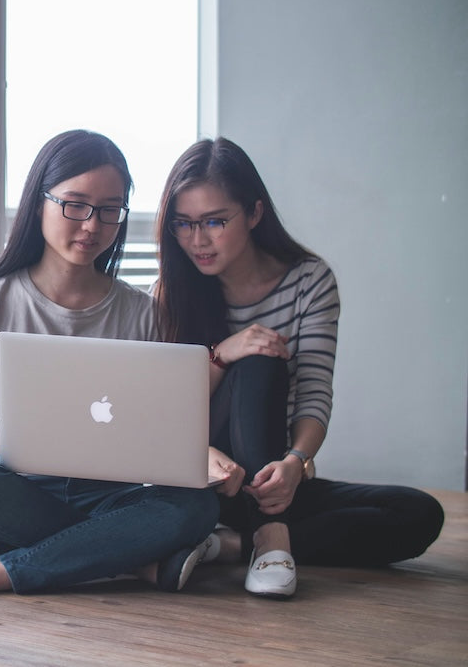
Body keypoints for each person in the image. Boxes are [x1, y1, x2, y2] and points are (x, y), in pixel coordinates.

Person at [0, 129, 223, 597]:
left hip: (110, 492)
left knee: (194, 506)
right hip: (20, 488)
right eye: (75, 204)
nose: (92, 225)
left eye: (110, 210)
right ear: (38, 203)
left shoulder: (144, 312)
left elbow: (156, 428)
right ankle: (125, 560)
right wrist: (37, 445)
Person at [153, 136, 445, 599]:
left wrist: (296, 462)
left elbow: (313, 391)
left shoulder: (309, 280)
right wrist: (223, 352)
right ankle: (270, 538)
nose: (197, 240)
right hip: (206, 478)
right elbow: (165, 411)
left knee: (419, 514)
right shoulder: (170, 291)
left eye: (214, 221)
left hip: (271, 475)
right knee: (258, 362)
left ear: (253, 213)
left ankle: (229, 544)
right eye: (183, 224)